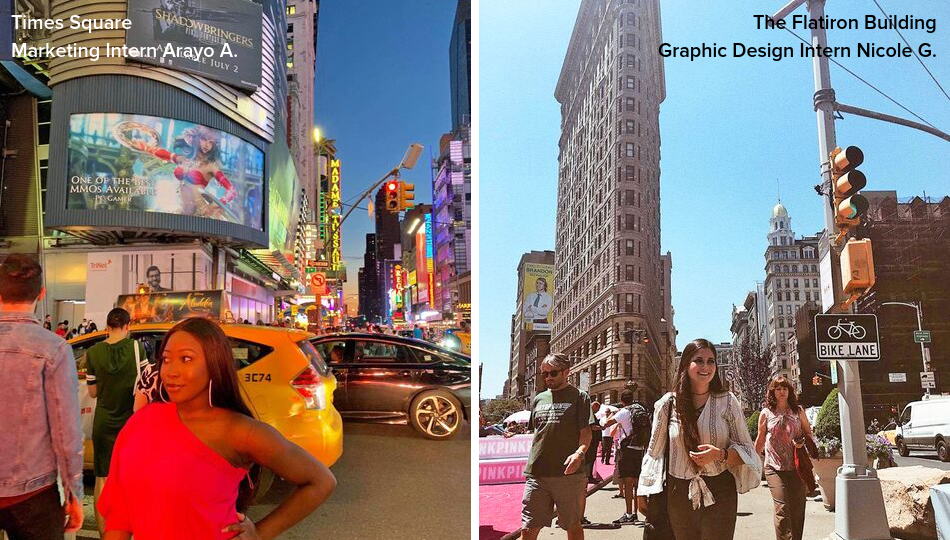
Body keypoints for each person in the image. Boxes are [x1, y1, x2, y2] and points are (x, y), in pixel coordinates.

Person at [98, 317, 336, 538]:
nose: (170, 371)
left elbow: (321, 481)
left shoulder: (240, 431)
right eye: (166, 359)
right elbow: (119, 513)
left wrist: (260, 533)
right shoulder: (142, 421)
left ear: (214, 363)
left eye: (186, 359)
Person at [637, 339, 761, 540]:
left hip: (720, 490)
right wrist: (644, 488)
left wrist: (719, 454)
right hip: (678, 492)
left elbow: (748, 450)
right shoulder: (667, 404)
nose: (706, 367)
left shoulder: (728, 402)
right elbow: (654, 451)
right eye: (699, 360)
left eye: (711, 361)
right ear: (686, 364)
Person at [0, 254, 84, 537]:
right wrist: (74, 492)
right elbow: (65, 431)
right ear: (41, 293)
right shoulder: (54, 349)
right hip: (33, 494)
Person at [84, 307, 148, 537]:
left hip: (103, 420)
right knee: (129, 477)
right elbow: (145, 384)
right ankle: (127, 531)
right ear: (127, 326)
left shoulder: (94, 352)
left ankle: (105, 533)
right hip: (130, 421)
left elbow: (92, 392)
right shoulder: (136, 348)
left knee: (102, 477)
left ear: (107, 326)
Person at [521, 353, 593, 540]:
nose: (548, 378)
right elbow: (537, 433)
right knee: (528, 528)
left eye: (553, 373)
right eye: (544, 374)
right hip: (537, 473)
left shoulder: (580, 397)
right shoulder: (539, 399)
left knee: (573, 526)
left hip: (568, 476)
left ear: (566, 372)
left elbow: (586, 433)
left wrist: (579, 453)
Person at [754, 376, 815, 540]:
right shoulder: (766, 413)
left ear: (789, 391)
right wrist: (751, 462)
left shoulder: (798, 411)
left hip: (797, 467)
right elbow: (760, 440)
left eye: (785, 388)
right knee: (782, 508)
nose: (782, 392)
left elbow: (808, 433)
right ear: (772, 392)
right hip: (774, 468)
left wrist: (802, 442)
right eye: (778, 389)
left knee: (797, 508)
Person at [603, 388, 650, 525]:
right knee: (637, 482)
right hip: (640, 448)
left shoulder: (623, 412)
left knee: (628, 483)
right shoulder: (639, 408)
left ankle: (629, 513)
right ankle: (637, 512)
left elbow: (606, 424)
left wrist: (613, 416)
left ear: (622, 400)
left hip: (628, 450)